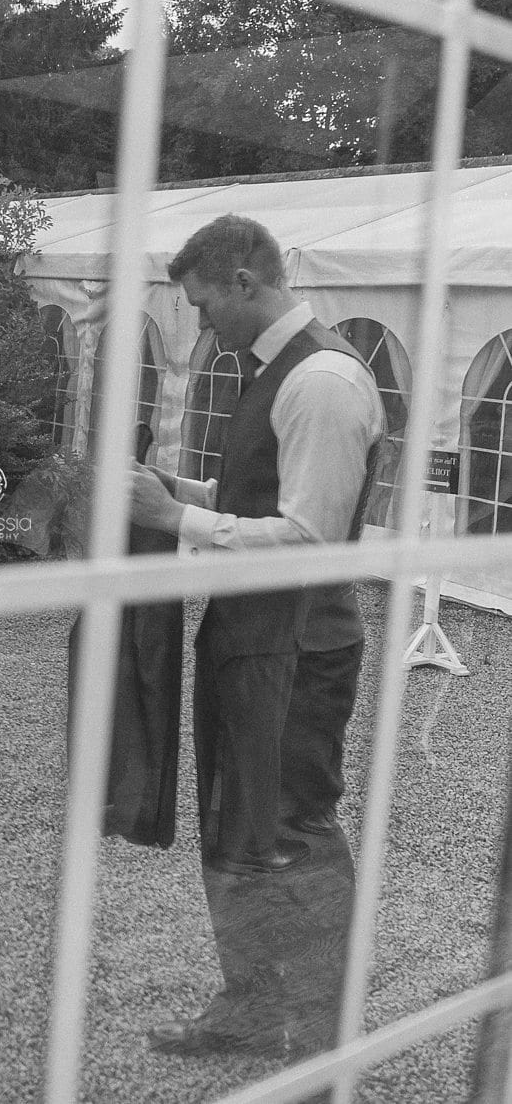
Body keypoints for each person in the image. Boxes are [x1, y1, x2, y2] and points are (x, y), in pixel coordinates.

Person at [129, 213, 384, 1061]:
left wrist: (178, 517)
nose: (201, 325)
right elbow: (265, 496)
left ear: (245, 282)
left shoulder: (321, 381)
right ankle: (250, 1009)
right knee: (237, 822)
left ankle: (321, 1042)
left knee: (292, 830)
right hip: (255, 640)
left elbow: (312, 536)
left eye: (205, 306)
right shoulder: (277, 369)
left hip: (302, 650)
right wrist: (186, 490)